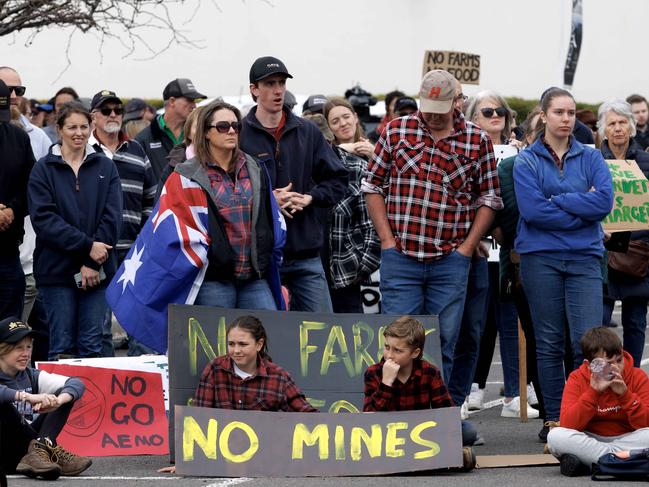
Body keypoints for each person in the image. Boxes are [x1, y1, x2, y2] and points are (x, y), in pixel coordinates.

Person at [362, 69, 503, 382]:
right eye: (428, 110)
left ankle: (440, 416)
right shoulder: (396, 131)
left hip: (450, 259)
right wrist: (387, 240)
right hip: (401, 255)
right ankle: (399, 415)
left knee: (443, 342)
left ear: (456, 101)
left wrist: (466, 248)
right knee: (397, 344)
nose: (434, 118)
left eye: (441, 112)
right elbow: (372, 186)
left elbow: (490, 199)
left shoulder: (476, 139)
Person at [514, 87, 614, 440]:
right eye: (559, 112)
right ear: (543, 115)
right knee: (549, 341)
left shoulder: (590, 157)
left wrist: (559, 200)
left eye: (571, 113)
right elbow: (532, 211)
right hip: (540, 259)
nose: (567, 119)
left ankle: (587, 412)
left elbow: (603, 203)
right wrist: (579, 206)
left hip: (584, 257)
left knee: (587, 342)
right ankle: (555, 417)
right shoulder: (526, 160)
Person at [240, 56, 348, 312]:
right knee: (265, 338)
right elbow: (225, 192)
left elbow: (338, 179)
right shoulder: (240, 134)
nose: (277, 90)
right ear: (254, 89)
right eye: (269, 84)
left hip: (305, 254)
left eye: (281, 83)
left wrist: (311, 197)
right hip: (260, 259)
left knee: (323, 334)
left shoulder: (307, 131)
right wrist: (267, 200)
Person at [458, 90, 536, 419]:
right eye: (488, 111)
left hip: (505, 249)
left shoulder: (520, 156)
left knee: (510, 321)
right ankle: (464, 393)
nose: (496, 116)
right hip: (476, 246)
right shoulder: (463, 149)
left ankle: (514, 395)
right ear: (473, 118)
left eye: (501, 111)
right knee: (472, 324)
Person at [28, 102, 122, 360]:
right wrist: (87, 247)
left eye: (84, 126)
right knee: (62, 348)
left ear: (91, 127)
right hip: (56, 272)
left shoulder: (106, 167)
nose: (78, 132)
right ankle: (62, 402)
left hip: (98, 272)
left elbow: (112, 218)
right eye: (72, 127)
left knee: (92, 346)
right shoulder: (43, 169)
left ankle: (91, 402)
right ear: (59, 129)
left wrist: (91, 260)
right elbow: (45, 220)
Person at [173, 100, 282, 310]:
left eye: (236, 126)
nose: (231, 131)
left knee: (266, 335)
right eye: (223, 126)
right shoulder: (187, 173)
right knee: (217, 341)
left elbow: (267, 217)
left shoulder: (254, 167)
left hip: (254, 276)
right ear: (206, 132)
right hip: (213, 279)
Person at [89, 90, 156, 357]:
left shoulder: (137, 150)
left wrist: (145, 241)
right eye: (106, 111)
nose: (114, 115)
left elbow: (151, 200)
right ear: (93, 117)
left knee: (138, 325)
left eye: (118, 110)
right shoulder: (84, 152)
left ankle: (141, 385)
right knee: (100, 327)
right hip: (97, 251)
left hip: (134, 252)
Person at [363, 316, 477, 470]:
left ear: (415, 353)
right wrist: (386, 383)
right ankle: (451, 455)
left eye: (397, 350)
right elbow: (368, 416)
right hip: (387, 435)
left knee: (468, 430)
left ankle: (447, 454)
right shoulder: (374, 372)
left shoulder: (429, 372)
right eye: (387, 347)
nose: (389, 355)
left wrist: (440, 429)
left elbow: (446, 412)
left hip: (420, 434)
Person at [547, 327, 649, 477]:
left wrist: (625, 395)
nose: (616, 369)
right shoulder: (577, 378)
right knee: (555, 436)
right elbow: (568, 424)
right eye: (607, 364)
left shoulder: (637, 376)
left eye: (619, 360)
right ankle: (624, 460)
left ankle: (594, 462)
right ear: (590, 365)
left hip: (628, 437)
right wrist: (593, 393)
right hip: (591, 438)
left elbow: (646, 423)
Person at [0, 317, 91, 479]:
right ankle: (47, 450)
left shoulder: (29, 375)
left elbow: (76, 384)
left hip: (24, 451)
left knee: (62, 396)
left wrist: (58, 401)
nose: (26, 354)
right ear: (2, 349)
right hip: (4, 453)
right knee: (4, 405)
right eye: (19, 348)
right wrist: (27, 397)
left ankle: (40, 450)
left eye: (29, 347)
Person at [598, 99, 649, 367]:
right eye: (612, 123)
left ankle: (632, 377)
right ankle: (601, 379)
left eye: (622, 123)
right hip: (603, 253)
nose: (618, 128)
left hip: (639, 254)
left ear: (631, 127)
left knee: (635, 323)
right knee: (601, 321)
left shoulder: (646, 162)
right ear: (603, 130)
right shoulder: (593, 161)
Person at [322, 98, 381, 312]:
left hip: (351, 263)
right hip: (326, 259)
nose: (343, 124)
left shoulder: (374, 155)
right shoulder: (324, 161)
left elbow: (375, 218)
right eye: (335, 121)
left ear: (356, 118)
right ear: (329, 128)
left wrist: (364, 264)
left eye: (346, 117)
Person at [194, 315, 316, 411]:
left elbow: (306, 415)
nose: (236, 350)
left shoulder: (278, 377)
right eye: (231, 344)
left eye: (243, 344)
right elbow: (199, 417)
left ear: (259, 344)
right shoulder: (214, 369)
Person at [0, 80, 35, 321]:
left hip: (7, 248)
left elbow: (31, 186)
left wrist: (12, 209)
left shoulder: (18, 138)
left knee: (10, 322)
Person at [135, 78, 206, 181]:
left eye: (194, 101)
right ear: (172, 101)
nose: (194, 105)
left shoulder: (198, 134)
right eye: (189, 100)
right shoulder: (143, 139)